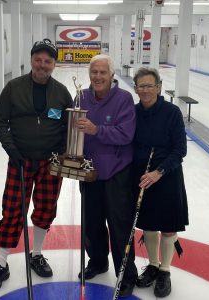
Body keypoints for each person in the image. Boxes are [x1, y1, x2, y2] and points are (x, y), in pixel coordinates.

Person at [0, 38, 73, 291]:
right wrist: (12, 150)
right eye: (38, 60)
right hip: (20, 161)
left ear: (54, 64)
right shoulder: (14, 88)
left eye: (47, 61)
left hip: (50, 163)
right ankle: (1, 263)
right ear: (31, 60)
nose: (42, 65)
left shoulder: (61, 93)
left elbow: (69, 126)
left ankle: (36, 254)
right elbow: (0, 122)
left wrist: (64, 151)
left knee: (46, 209)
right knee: (13, 211)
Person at [77, 54, 137, 297]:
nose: (98, 77)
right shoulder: (81, 96)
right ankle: (98, 261)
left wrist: (96, 130)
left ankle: (125, 272)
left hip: (116, 172)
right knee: (92, 222)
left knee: (119, 225)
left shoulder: (123, 99)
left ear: (112, 75)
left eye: (103, 73)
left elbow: (125, 135)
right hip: (89, 171)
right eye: (94, 73)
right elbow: (74, 130)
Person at [132, 67, 188, 298]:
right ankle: (153, 265)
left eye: (149, 86)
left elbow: (180, 150)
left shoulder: (172, 112)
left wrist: (159, 171)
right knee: (149, 224)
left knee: (167, 227)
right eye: (141, 86)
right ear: (136, 89)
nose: (145, 90)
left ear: (158, 87)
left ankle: (164, 270)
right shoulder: (132, 112)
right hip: (142, 176)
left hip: (166, 176)